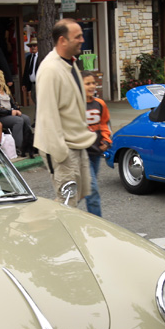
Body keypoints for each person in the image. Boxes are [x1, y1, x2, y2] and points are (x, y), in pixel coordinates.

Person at [34, 18, 96, 207]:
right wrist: (61, 154)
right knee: (66, 204)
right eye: (77, 37)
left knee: (78, 197)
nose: (82, 40)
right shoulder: (50, 69)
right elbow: (47, 116)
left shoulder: (69, 64)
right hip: (62, 148)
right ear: (63, 40)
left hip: (75, 144)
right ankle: (59, 236)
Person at [0, 67, 33, 156]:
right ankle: (18, 147)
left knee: (26, 118)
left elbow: (13, 103)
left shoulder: (5, 90)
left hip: (10, 113)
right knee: (18, 121)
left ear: (0, 79)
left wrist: (17, 110)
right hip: (0, 116)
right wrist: (11, 112)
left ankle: (29, 144)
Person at [82, 71, 110, 217]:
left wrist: (106, 140)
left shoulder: (100, 104)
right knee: (92, 189)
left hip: (96, 152)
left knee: (87, 189)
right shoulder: (75, 104)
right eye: (87, 83)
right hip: (81, 153)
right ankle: (98, 224)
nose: (92, 86)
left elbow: (105, 124)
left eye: (93, 83)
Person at [21, 38, 40, 106]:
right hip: (32, 84)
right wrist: (24, 83)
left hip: (39, 82)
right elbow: (26, 70)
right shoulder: (29, 57)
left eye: (34, 45)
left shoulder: (41, 56)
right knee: (33, 98)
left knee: (40, 100)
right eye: (31, 46)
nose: (33, 47)